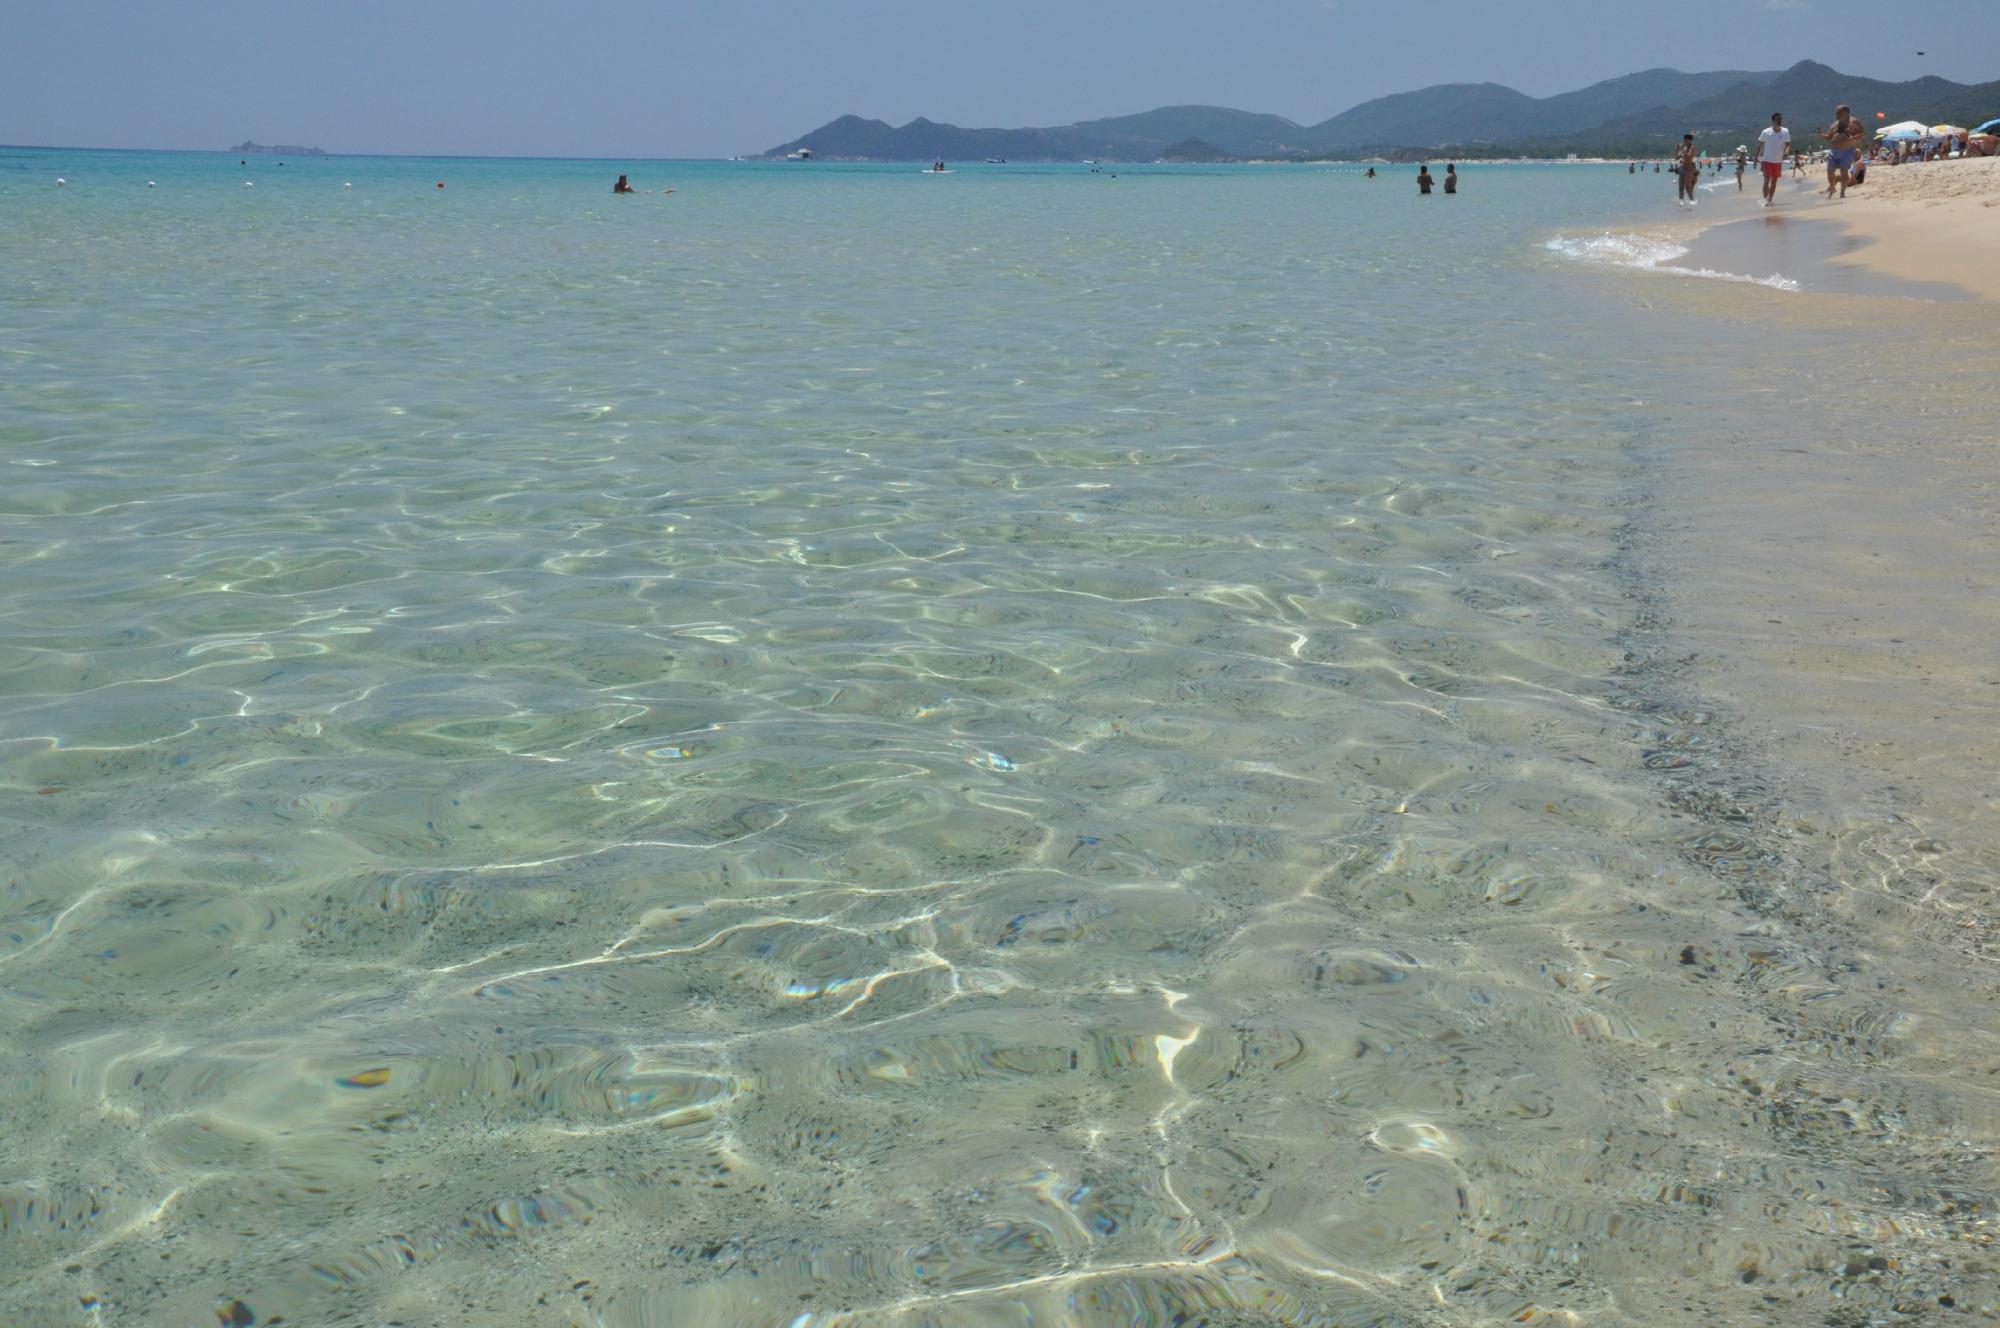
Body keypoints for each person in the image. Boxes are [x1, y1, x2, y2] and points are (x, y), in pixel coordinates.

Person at [1820, 104, 1864, 199]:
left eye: (1839, 112)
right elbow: (1828, 137)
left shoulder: (1854, 121)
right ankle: (1832, 187)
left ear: (1846, 112)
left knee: (1844, 171)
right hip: (1834, 150)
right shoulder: (1834, 124)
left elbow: (1862, 132)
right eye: (1836, 112)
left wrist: (1855, 137)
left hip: (1848, 150)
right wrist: (1821, 134)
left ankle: (1842, 192)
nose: (1836, 114)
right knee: (1830, 171)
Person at [1757, 113, 1790, 206]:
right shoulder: (1766, 132)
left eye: (1781, 119)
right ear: (1773, 121)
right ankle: (1765, 200)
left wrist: (1786, 151)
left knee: (1774, 182)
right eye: (1777, 120)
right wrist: (1756, 160)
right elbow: (1760, 146)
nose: (1779, 121)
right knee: (1766, 181)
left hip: (1778, 161)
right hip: (1766, 160)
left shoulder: (1785, 131)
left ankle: (1770, 200)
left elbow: (1788, 144)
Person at [1675, 134, 1699, 205]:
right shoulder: (1684, 148)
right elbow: (1676, 158)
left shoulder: (1692, 148)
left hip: (1688, 169)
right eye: (1684, 140)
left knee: (1688, 187)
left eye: (1686, 140)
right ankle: (1681, 202)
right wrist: (1676, 150)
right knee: (1681, 186)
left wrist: (1682, 149)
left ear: (1690, 140)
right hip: (1682, 168)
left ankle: (1692, 201)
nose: (1684, 142)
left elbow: (1688, 157)